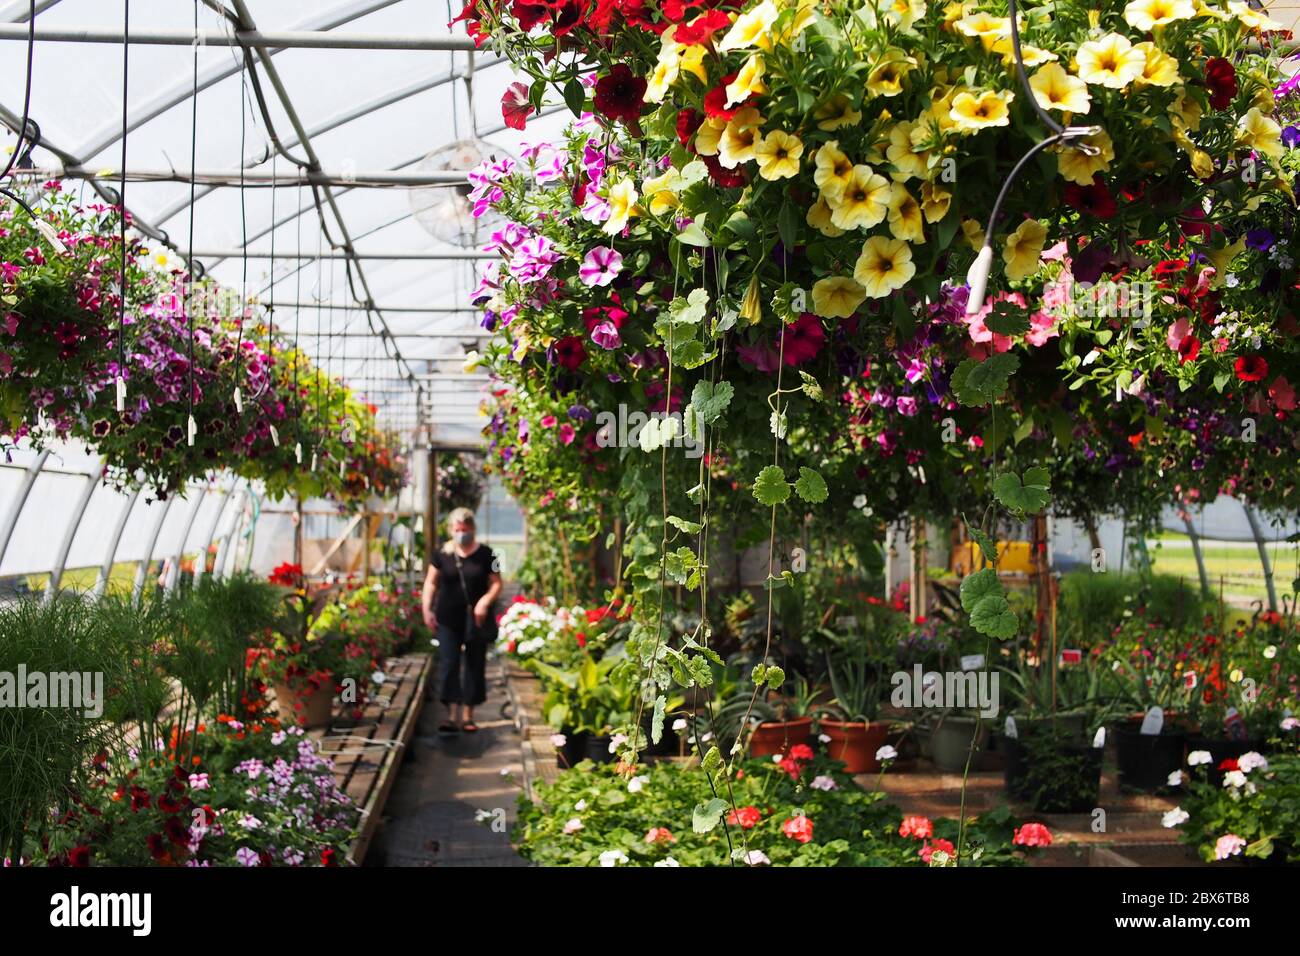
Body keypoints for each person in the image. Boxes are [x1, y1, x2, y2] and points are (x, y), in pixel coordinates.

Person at [422, 508, 501, 734]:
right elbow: (431, 583)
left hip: (476, 618)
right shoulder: (441, 555)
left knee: (475, 662)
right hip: (447, 617)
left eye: (465, 530)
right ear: (451, 530)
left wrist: (484, 602)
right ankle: (451, 714)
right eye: (457, 530)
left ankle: (468, 715)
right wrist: (427, 609)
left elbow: (497, 583)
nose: (461, 534)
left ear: (473, 529)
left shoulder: (488, 555)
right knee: (449, 663)